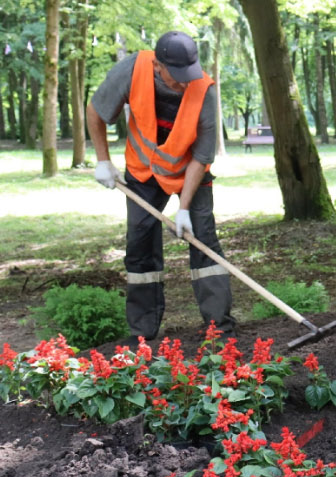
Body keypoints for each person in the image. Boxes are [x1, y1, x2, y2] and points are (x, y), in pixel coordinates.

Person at [87, 30, 235, 341]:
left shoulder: (204, 90)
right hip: (144, 172)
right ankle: (142, 332)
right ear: (158, 65)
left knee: (203, 237)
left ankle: (219, 328)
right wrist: (103, 160)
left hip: (190, 171)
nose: (184, 82)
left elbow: (202, 156)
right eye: (176, 75)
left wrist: (183, 209)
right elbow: (96, 110)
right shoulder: (132, 70)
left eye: (188, 74)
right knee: (139, 244)